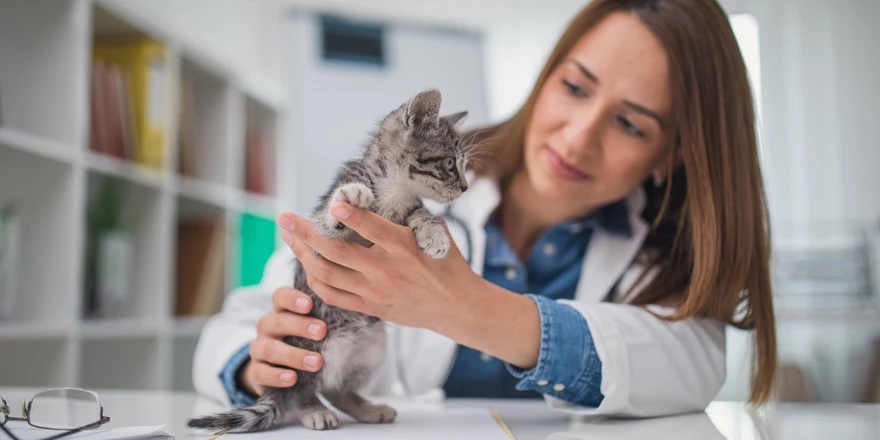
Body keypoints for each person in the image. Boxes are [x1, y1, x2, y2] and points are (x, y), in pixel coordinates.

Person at [192, 0, 777, 417]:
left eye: (628, 122)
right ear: (547, 77)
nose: (578, 137)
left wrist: (472, 310)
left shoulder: (664, 254)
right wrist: (257, 364)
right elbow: (235, 328)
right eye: (575, 87)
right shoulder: (404, 185)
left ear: (670, 155)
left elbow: (692, 365)